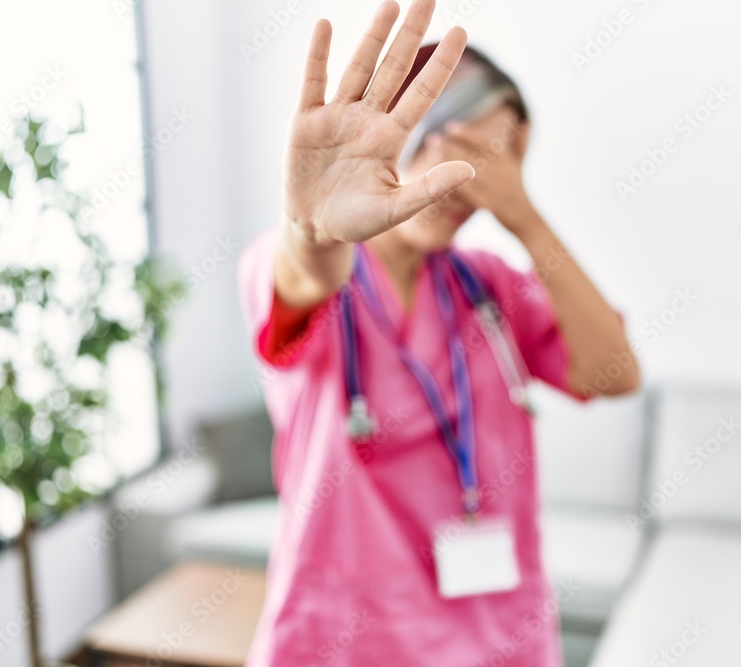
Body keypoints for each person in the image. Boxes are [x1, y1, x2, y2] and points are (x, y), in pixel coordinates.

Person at [237, 1, 640, 664]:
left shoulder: (488, 286)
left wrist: (529, 223)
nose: (475, 185)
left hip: (495, 640)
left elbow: (615, 372)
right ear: (411, 131)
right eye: (470, 149)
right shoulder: (312, 269)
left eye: (503, 165)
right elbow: (305, 272)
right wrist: (312, 229)